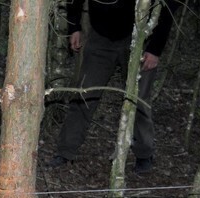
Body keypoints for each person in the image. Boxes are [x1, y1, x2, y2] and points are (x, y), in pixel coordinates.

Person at [49, 0, 179, 173]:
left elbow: (168, 6)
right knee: (84, 94)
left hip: (141, 38)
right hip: (101, 36)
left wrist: (155, 48)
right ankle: (65, 151)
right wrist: (74, 27)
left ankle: (144, 154)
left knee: (138, 98)